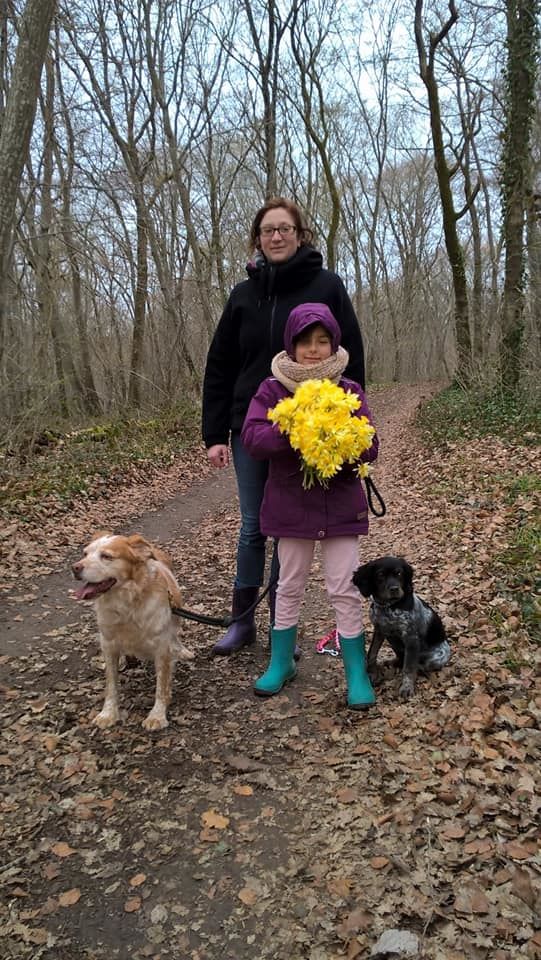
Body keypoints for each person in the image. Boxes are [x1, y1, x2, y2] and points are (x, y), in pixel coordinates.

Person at [202, 197, 366, 656]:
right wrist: (215, 434)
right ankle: (242, 621)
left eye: (285, 229)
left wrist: (351, 415)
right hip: (253, 427)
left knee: (289, 528)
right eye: (268, 230)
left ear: (300, 235)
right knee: (255, 524)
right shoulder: (242, 295)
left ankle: (282, 627)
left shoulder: (326, 285)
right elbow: (220, 366)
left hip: (319, 430)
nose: (276, 236)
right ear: (257, 239)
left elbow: (351, 353)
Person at [241, 302, 379, 709]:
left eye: (323, 342)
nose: (315, 350)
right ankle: (281, 661)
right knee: (289, 584)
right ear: (292, 346)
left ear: (334, 344)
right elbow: (253, 438)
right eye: (306, 343)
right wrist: (298, 433)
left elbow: (370, 444)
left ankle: (356, 670)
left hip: (340, 506)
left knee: (344, 587)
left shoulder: (349, 389)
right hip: (290, 506)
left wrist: (340, 437)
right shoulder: (272, 389)